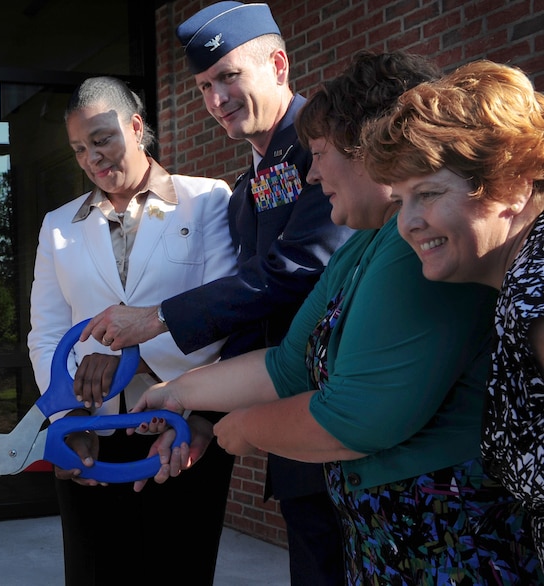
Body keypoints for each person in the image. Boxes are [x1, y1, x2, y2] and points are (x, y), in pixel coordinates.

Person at [133, 51, 544, 584]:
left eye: (320, 152)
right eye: (405, 197)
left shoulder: (492, 273)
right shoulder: (376, 243)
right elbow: (288, 364)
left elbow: (359, 414)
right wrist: (178, 394)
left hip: (450, 547)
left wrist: (238, 428)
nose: (309, 172)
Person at [79, 3, 353, 583]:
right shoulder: (249, 189)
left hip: (349, 423)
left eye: (229, 76)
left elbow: (297, 269)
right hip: (296, 425)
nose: (216, 99)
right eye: (205, 86)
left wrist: (156, 318)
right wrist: (202, 416)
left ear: (278, 64)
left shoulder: (325, 147)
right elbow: (256, 317)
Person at [27, 75, 237, 585]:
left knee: (178, 568)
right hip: (89, 433)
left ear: (137, 127)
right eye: (79, 149)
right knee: (93, 571)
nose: (92, 158)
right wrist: (70, 415)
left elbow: (226, 310)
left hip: (182, 427)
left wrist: (130, 357)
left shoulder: (207, 200)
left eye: (102, 139)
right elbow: (46, 333)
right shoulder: (58, 225)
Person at [360, 59, 544, 563]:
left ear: (513, 182)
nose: (409, 223)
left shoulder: (536, 286)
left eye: (429, 193)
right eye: (400, 201)